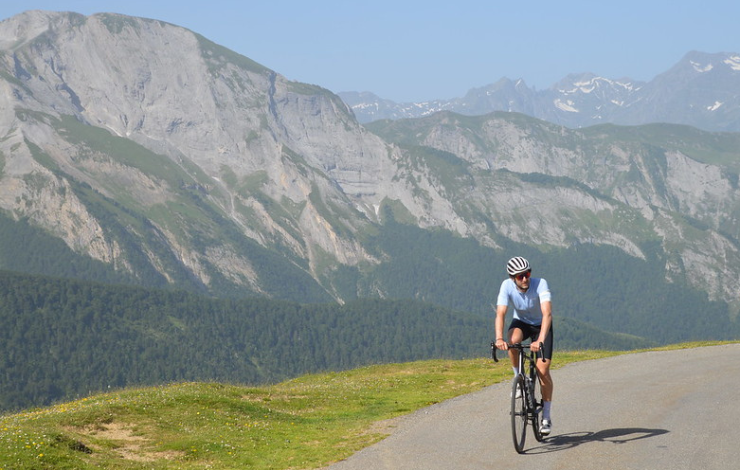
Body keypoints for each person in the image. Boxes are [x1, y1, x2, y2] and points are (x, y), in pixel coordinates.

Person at [494, 256, 554, 435]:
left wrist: (540, 340)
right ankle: (518, 379)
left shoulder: (540, 284)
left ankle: (547, 416)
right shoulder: (506, 286)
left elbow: (547, 314)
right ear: (513, 278)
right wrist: (499, 338)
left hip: (541, 326)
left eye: (527, 274)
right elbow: (501, 314)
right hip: (521, 322)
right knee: (512, 343)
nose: (525, 278)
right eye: (520, 276)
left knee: (543, 370)